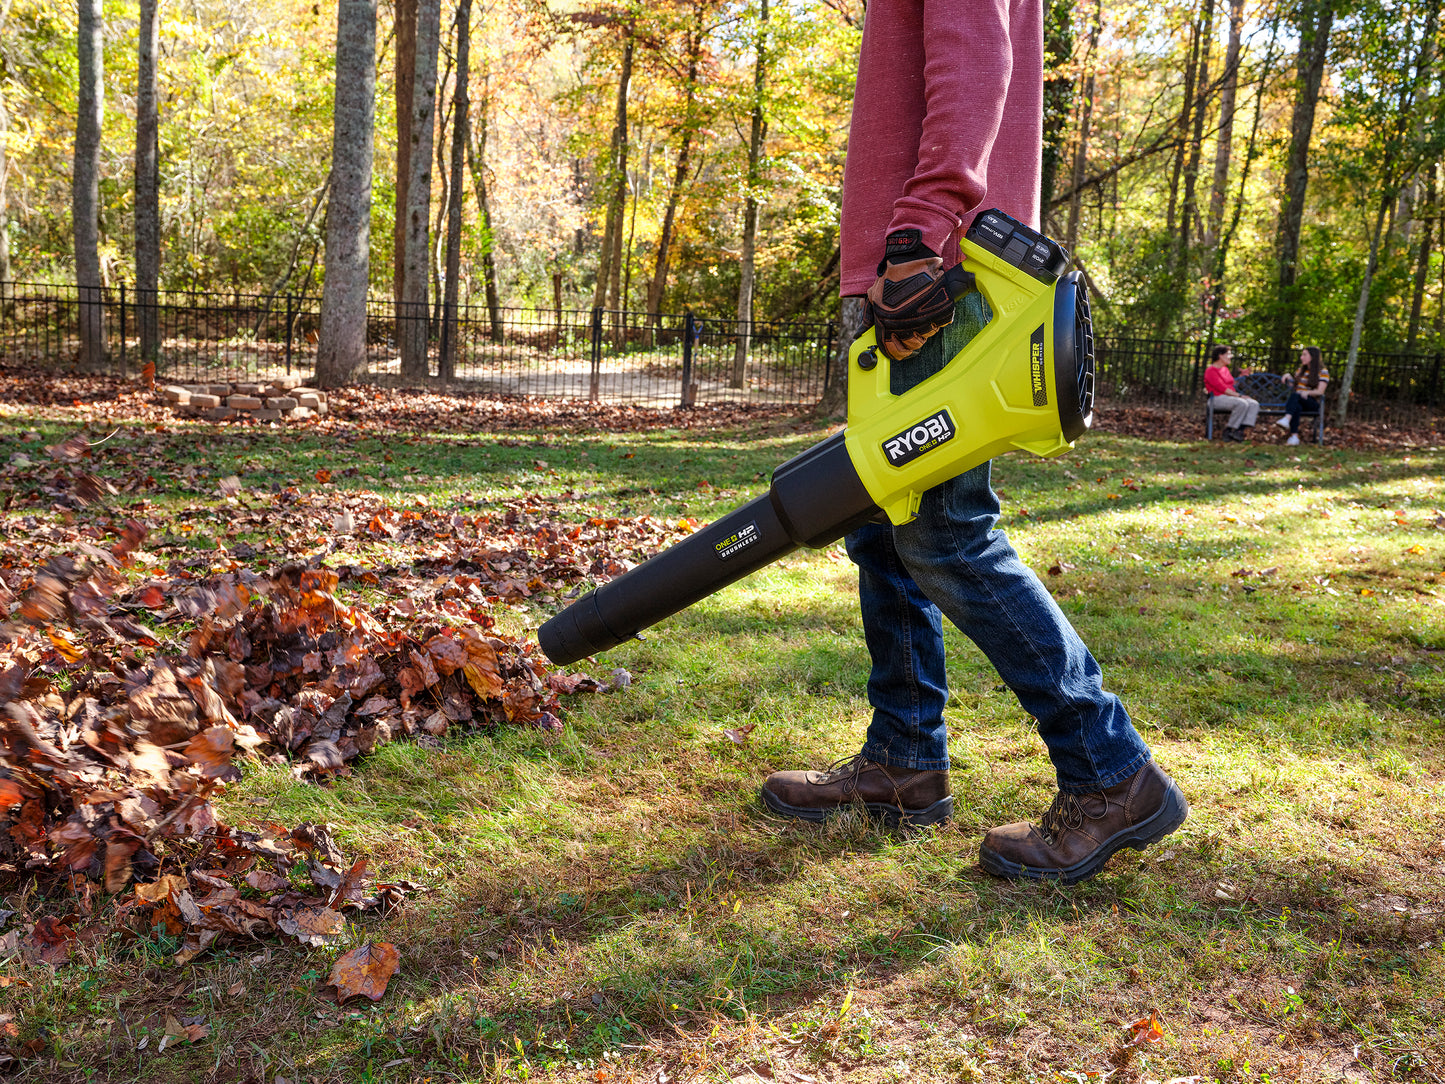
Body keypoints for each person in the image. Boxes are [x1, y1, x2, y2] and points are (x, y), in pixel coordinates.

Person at [759, 0, 1188, 884]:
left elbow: (973, 56)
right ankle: (903, 760)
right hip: (917, 270)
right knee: (881, 522)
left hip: (930, 277)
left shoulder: (923, 245)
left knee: (946, 531)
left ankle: (1110, 771)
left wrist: (919, 230)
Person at [1274, 345, 1329, 446]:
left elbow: (1320, 391)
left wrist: (1308, 392)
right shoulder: (1301, 371)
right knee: (1296, 406)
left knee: (1296, 396)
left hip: (1311, 403)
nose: (1301, 357)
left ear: (1312, 357)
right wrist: (1288, 376)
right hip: (1298, 401)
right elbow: (1294, 385)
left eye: (1304, 355)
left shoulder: (1323, 372)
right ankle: (1294, 437)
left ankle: (1287, 419)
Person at [1203, 345, 1258, 441]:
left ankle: (1239, 431)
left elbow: (1231, 384)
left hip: (1229, 398)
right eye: (1228, 354)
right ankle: (1229, 430)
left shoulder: (1225, 369)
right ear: (1221, 356)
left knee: (1254, 404)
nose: (1231, 356)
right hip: (1216, 399)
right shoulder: (1211, 370)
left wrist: (1242, 376)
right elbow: (1222, 388)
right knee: (1241, 403)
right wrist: (1240, 396)